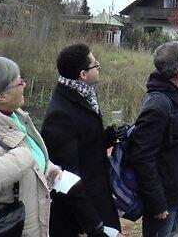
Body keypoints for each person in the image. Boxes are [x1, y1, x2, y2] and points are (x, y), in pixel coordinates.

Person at [0, 57, 62, 237]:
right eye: (19, 82)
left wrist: (49, 169)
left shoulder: (15, 117)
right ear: (2, 96)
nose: (25, 84)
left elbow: (30, 158)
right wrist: (21, 159)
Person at [41, 44, 123, 236]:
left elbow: (85, 146)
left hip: (96, 197)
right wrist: (93, 226)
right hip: (81, 215)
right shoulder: (60, 114)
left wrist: (108, 137)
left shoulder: (83, 96)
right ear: (83, 74)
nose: (99, 66)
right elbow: (67, 177)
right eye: (95, 64)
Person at [128, 41, 178, 237]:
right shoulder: (159, 105)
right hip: (164, 201)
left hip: (177, 194)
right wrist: (156, 202)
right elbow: (142, 157)